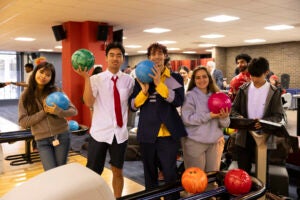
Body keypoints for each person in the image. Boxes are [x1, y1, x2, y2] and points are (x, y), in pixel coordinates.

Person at [74, 42, 134, 198]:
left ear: (122, 59)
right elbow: (88, 102)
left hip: (120, 134)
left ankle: (118, 197)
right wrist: (86, 78)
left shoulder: (129, 81)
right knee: (93, 172)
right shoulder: (96, 79)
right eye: (112, 55)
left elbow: (132, 104)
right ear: (106, 58)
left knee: (118, 171)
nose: (115, 58)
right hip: (99, 133)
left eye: (119, 55)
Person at [128, 43, 187, 199]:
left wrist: (159, 84)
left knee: (170, 174)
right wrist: (144, 92)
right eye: (153, 54)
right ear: (149, 57)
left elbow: (178, 101)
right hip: (147, 133)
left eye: (160, 53)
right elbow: (132, 106)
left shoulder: (174, 77)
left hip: (168, 134)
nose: (157, 57)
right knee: (150, 174)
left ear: (165, 56)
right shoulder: (140, 78)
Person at [18, 61, 78, 171]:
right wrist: (44, 112)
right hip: (42, 140)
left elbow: (73, 110)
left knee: (61, 170)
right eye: (41, 72)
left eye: (48, 75)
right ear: (35, 71)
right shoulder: (25, 96)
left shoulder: (56, 91)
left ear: (51, 78)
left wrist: (59, 111)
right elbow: (23, 122)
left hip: (61, 136)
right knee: (50, 172)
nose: (44, 76)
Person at [230, 57, 284, 174]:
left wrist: (263, 122)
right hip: (244, 136)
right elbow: (233, 109)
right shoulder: (243, 89)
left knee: (262, 172)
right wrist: (239, 118)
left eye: (257, 76)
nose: (253, 79)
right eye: (251, 75)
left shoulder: (274, 92)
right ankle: (245, 193)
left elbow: (278, 116)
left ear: (266, 73)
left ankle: (263, 192)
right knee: (243, 172)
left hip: (264, 136)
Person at [181, 66, 230, 172]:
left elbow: (225, 124)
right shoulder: (189, 96)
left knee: (212, 179)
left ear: (209, 78)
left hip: (215, 143)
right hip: (195, 143)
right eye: (198, 78)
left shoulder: (217, 95)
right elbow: (187, 119)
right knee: (196, 180)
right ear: (193, 80)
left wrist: (224, 117)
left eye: (204, 76)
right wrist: (209, 115)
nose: (201, 80)